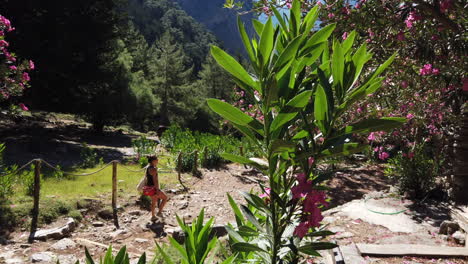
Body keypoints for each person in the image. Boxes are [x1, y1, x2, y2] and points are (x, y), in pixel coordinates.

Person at [143, 156, 167, 221]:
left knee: (153, 202)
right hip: (153, 188)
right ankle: (159, 212)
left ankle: (153, 216)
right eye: (156, 160)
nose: (158, 161)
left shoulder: (148, 167)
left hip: (149, 187)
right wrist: (157, 190)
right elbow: (155, 180)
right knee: (165, 198)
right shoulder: (154, 169)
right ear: (153, 161)